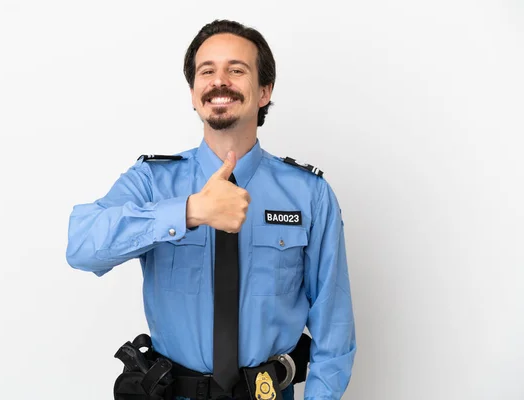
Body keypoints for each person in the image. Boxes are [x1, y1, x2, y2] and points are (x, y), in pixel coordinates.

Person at [66, 19, 356, 400]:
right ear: (193, 93)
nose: (220, 81)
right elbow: (82, 247)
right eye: (207, 71)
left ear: (264, 91)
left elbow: (334, 329)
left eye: (237, 70)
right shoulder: (153, 182)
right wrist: (188, 212)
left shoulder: (310, 195)